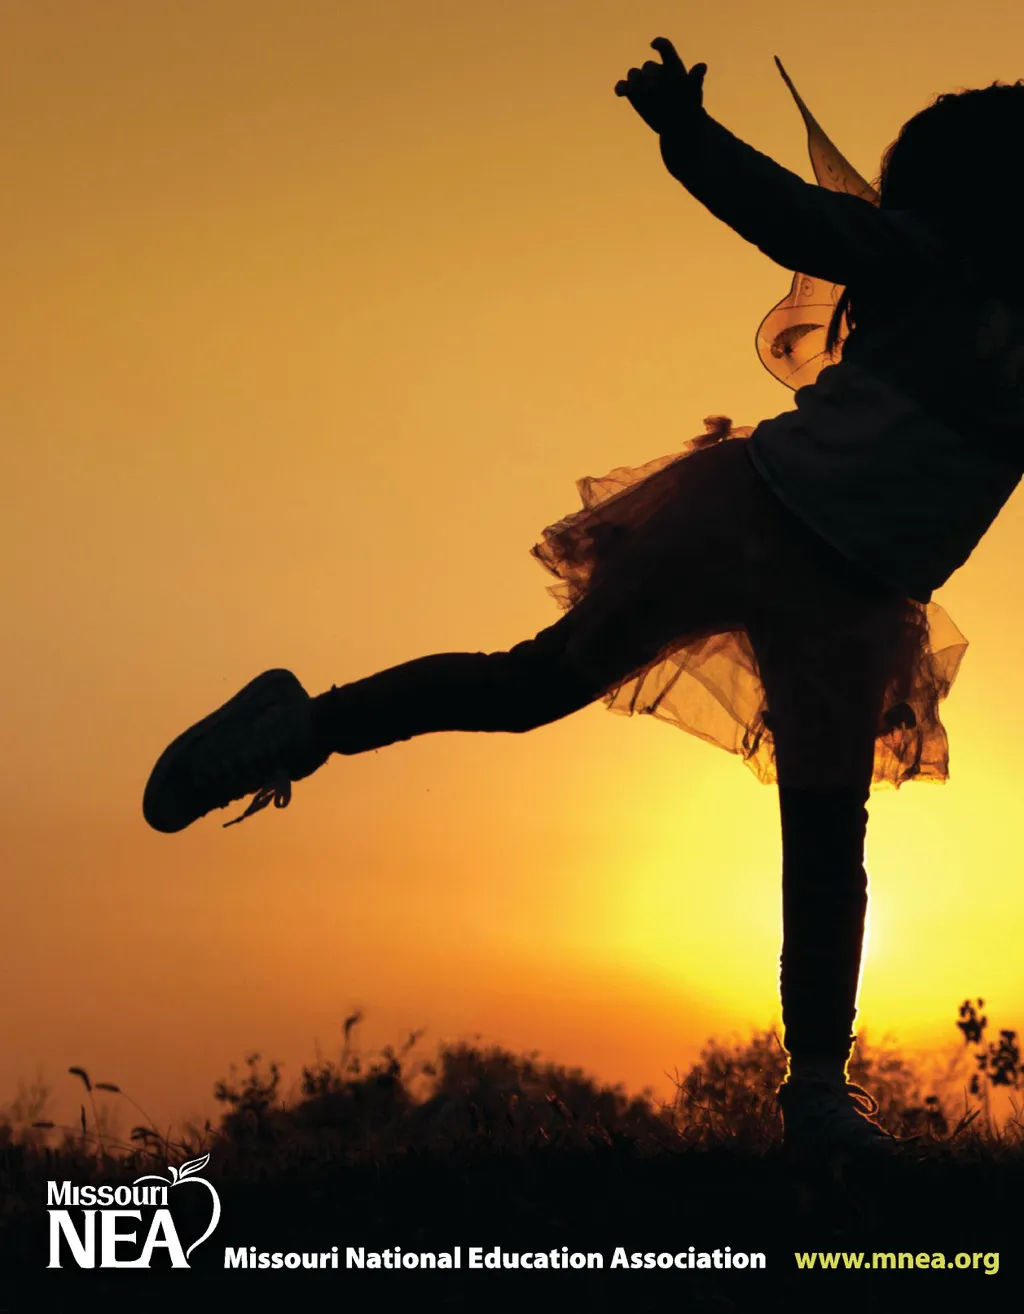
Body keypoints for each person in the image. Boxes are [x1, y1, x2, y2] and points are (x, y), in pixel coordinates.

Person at [142, 38, 1024, 1154]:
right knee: (532, 688)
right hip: (751, 523)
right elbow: (793, 219)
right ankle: (301, 724)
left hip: (856, 604)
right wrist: (688, 136)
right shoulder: (919, 261)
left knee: (824, 835)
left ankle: (816, 1089)